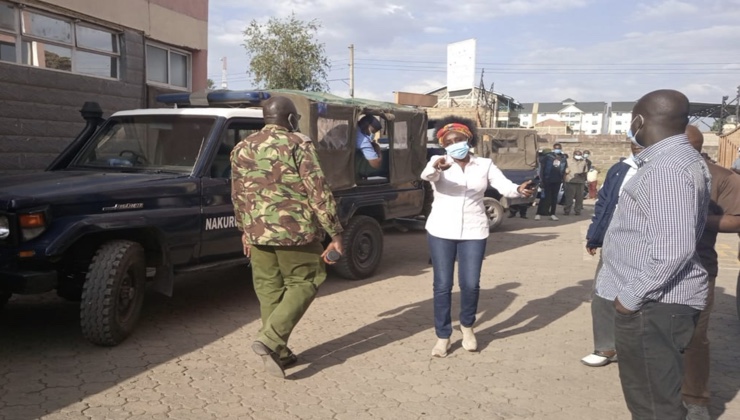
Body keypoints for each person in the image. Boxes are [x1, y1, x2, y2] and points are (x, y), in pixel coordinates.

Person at [595, 89, 711, 418]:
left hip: (653, 305)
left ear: (639, 120)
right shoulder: (679, 160)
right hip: (657, 304)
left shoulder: (665, 170)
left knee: (653, 405)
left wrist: (631, 297)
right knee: (654, 397)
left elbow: (673, 248)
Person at [231, 95, 344, 379]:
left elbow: (237, 194)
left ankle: (278, 351)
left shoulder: (242, 147)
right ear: (292, 119)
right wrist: (335, 233)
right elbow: (318, 191)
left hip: (257, 232)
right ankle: (270, 340)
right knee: (307, 280)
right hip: (296, 232)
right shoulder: (298, 144)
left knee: (270, 290)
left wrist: (245, 231)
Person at [420, 116, 534, 357]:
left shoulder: (485, 165)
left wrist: (519, 190)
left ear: (467, 139)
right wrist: (437, 168)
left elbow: (504, 186)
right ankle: (443, 336)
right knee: (442, 285)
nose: (454, 144)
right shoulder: (438, 161)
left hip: (474, 230)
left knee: (470, 284)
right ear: (443, 144)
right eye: (448, 141)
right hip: (441, 229)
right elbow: (427, 176)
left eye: (458, 139)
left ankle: (468, 327)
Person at [682, 125, 740, 420]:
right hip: (652, 267)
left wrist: (697, 219)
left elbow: (735, 220)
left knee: (695, 337)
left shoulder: (722, 176)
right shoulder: (656, 172)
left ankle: (696, 400)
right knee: (655, 334)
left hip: (699, 269)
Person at [581, 142, 643, 367]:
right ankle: (605, 346)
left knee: (640, 295)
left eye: (642, 140)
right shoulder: (620, 169)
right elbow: (603, 205)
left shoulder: (661, 169)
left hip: (644, 245)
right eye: (633, 140)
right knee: (602, 293)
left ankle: (637, 348)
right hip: (613, 241)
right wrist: (594, 236)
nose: (637, 145)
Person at [534, 143, 566, 221]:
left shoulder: (563, 158)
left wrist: (564, 181)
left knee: (554, 198)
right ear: (553, 148)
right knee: (544, 197)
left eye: (559, 148)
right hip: (547, 180)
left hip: (557, 180)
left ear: (561, 149)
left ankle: (552, 214)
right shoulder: (548, 157)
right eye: (556, 148)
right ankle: (538, 214)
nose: (557, 149)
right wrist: (541, 180)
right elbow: (541, 169)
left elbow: (564, 170)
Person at [562, 150, 588, 215]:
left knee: (579, 198)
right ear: (573, 154)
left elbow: (585, 171)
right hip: (570, 181)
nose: (578, 156)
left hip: (580, 181)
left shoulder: (583, 162)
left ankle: (577, 211)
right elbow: (563, 170)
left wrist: (584, 176)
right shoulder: (568, 161)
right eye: (577, 154)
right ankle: (567, 210)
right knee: (569, 197)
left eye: (579, 155)